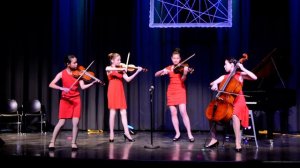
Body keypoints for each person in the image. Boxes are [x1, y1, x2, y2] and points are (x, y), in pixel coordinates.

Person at [48, 54, 100, 150]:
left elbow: (83, 87)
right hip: (65, 100)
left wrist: (92, 82)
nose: (76, 64)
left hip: (76, 100)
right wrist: (62, 88)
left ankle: (73, 143)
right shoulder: (61, 73)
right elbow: (51, 84)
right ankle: (52, 142)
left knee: (75, 123)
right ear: (68, 64)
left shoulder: (79, 74)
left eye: (77, 62)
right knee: (61, 123)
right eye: (74, 62)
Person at [205, 57, 257, 152]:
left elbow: (255, 77)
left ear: (232, 65)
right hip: (226, 102)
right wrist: (215, 85)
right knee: (212, 114)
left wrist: (242, 67)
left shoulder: (240, 75)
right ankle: (213, 139)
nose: (224, 66)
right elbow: (212, 83)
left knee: (234, 114)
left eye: (226, 64)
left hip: (239, 101)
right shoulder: (224, 77)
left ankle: (238, 142)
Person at [154, 48, 195, 142]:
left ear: (180, 59)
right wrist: (163, 71)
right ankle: (177, 133)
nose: (176, 60)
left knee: (183, 112)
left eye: (177, 58)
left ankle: (189, 134)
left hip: (180, 89)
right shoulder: (169, 67)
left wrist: (184, 74)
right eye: (174, 58)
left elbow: (183, 80)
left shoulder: (183, 67)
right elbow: (156, 74)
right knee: (173, 113)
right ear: (171, 59)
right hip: (171, 91)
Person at [106, 52, 143, 142]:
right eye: (118, 60)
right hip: (112, 90)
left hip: (120, 90)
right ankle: (111, 133)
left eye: (120, 60)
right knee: (113, 112)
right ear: (112, 60)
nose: (120, 61)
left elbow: (128, 79)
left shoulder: (121, 69)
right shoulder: (109, 68)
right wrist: (123, 68)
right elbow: (108, 68)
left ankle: (127, 132)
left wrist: (137, 72)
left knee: (123, 112)